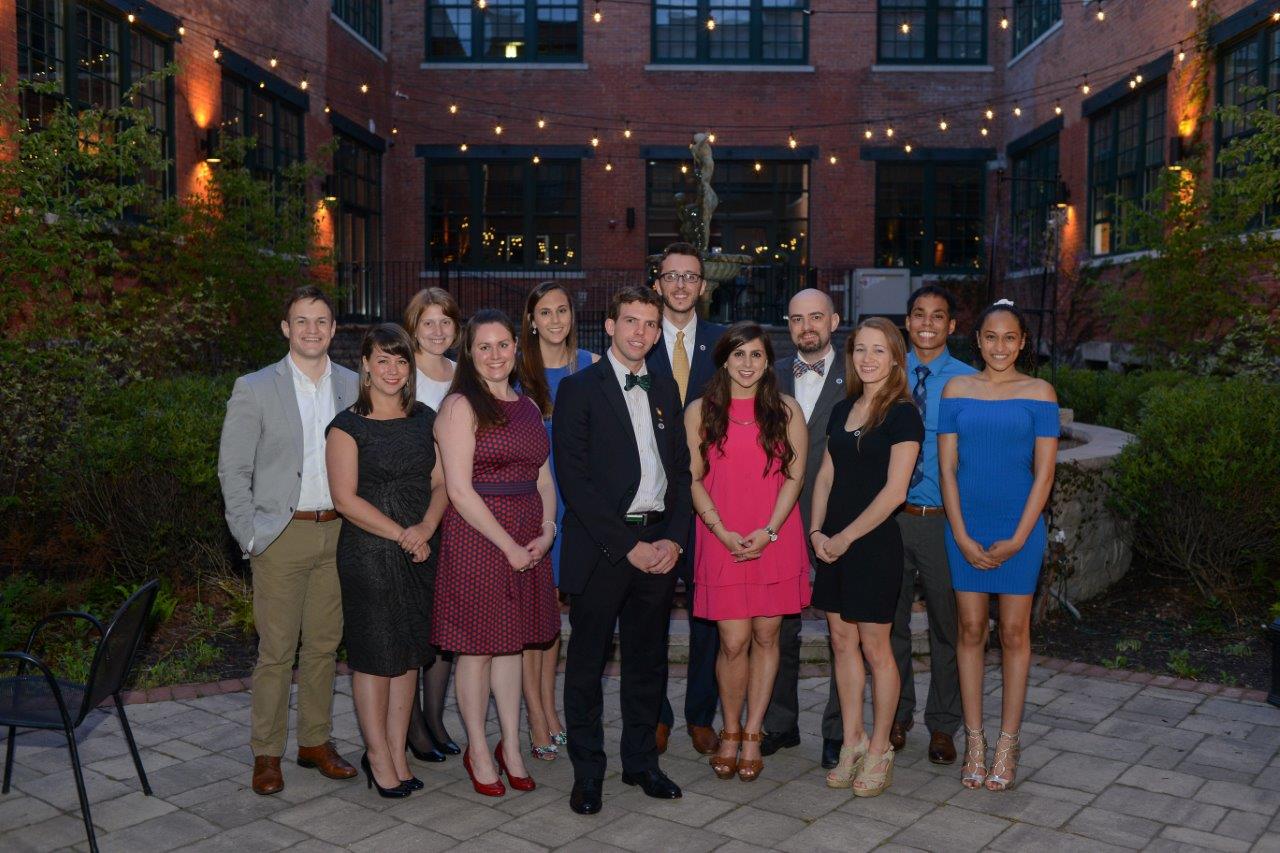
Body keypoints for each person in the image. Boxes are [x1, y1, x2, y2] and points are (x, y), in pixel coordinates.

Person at [554, 285, 692, 815]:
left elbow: (680, 472)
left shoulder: (665, 388)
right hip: (604, 550)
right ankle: (588, 773)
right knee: (587, 665)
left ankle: (641, 763)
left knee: (647, 663)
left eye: (651, 324)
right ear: (610, 325)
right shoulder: (579, 389)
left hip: (659, 547)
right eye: (631, 321)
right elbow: (575, 482)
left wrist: (674, 538)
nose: (641, 332)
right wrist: (627, 546)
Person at [217, 285, 359, 796]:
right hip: (281, 536)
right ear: (285, 328)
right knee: (276, 651)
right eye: (302, 321)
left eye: (321, 321)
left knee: (323, 646)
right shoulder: (255, 388)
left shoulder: (354, 385)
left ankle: (315, 742)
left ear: (334, 329)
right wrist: (250, 536)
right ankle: (267, 753)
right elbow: (233, 469)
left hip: (339, 532)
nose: (311, 330)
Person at [431, 310, 561, 797]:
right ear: (468, 352)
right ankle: (479, 750)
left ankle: (511, 744)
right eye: (483, 346)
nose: (494, 355)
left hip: (528, 536)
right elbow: (459, 490)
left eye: (503, 344)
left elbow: (544, 479)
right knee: (477, 650)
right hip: (477, 539)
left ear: (516, 347)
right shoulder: (459, 406)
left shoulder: (528, 406)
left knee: (512, 644)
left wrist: (547, 532)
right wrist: (507, 546)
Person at [938, 299, 1059, 792]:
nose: (1000, 346)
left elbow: (1045, 474)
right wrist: (961, 533)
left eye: (1010, 337)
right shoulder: (956, 390)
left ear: (1023, 342)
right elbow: (947, 469)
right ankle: (975, 740)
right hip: (965, 525)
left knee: (1013, 632)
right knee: (970, 629)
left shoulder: (1040, 393)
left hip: (1020, 527)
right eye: (991, 337)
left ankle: (1008, 744)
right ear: (978, 340)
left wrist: (1019, 538)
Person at [326, 324, 449, 797]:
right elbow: (345, 499)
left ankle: (398, 752)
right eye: (383, 360)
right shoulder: (347, 426)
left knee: (409, 656)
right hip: (370, 554)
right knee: (376, 657)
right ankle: (377, 756)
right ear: (365, 365)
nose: (393, 370)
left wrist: (427, 528)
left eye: (401, 361)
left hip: (420, 551)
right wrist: (402, 534)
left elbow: (441, 483)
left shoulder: (425, 419)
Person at [687, 323, 809, 783]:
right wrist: (720, 531)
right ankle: (731, 729)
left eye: (756, 355)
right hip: (721, 536)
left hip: (773, 536)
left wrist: (769, 531)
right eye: (738, 354)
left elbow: (796, 477)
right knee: (733, 641)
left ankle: (753, 732)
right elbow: (693, 478)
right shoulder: (700, 411)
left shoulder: (786, 410)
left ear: (767, 361)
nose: (747, 364)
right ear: (724, 359)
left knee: (766, 637)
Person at [810, 317, 922, 798]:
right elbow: (825, 476)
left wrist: (845, 538)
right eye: (860, 349)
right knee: (841, 641)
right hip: (832, 541)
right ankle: (852, 740)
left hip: (872, 544)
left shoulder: (903, 415)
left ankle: (880, 747)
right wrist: (816, 531)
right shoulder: (842, 409)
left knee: (877, 649)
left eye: (879, 350)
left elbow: (896, 492)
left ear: (895, 358)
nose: (868, 358)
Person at [888, 285, 977, 765]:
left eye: (938, 316)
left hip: (943, 522)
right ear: (907, 321)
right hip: (890, 519)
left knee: (948, 626)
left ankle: (943, 724)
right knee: (890, 623)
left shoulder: (970, 381)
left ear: (952, 326)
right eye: (919, 314)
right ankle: (897, 714)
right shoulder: (885, 371)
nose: (927, 323)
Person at [646, 241, 726, 758]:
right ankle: (656, 714)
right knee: (650, 612)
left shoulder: (722, 343)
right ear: (658, 283)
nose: (680, 285)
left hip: (709, 498)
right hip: (651, 499)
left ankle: (701, 715)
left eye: (690, 277)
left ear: (702, 285)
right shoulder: (640, 336)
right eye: (672, 276)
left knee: (707, 613)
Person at [763, 288, 847, 770]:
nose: (807, 327)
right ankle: (780, 723)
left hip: (839, 517)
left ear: (834, 321)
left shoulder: (858, 371)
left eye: (816, 317)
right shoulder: (767, 375)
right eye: (797, 319)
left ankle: (837, 729)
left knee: (842, 629)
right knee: (780, 627)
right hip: (781, 515)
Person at [516, 281, 598, 761]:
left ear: (572, 315)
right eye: (544, 312)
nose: (554, 320)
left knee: (559, 619)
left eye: (561, 310)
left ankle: (551, 708)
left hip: (580, 506)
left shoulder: (591, 365)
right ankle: (538, 715)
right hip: (535, 505)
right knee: (538, 616)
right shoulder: (515, 372)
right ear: (531, 320)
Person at [402, 287, 463, 763]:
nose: (438, 331)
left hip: (461, 509)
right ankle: (411, 725)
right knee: (413, 618)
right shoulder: (401, 375)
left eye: (445, 321)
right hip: (414, 508)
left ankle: (436, 717)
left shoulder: (464, 375)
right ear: (413, 328)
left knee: (447, 618)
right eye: (428, 322)